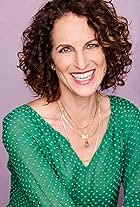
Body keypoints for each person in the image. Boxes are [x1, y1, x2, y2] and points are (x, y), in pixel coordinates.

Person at [2, 0, 140, 206]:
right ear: (50, 59)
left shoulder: (126, 117)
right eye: (65, 49)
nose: (82, 63)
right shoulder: (21, 126)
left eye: (91, 45)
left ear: (107, 50)